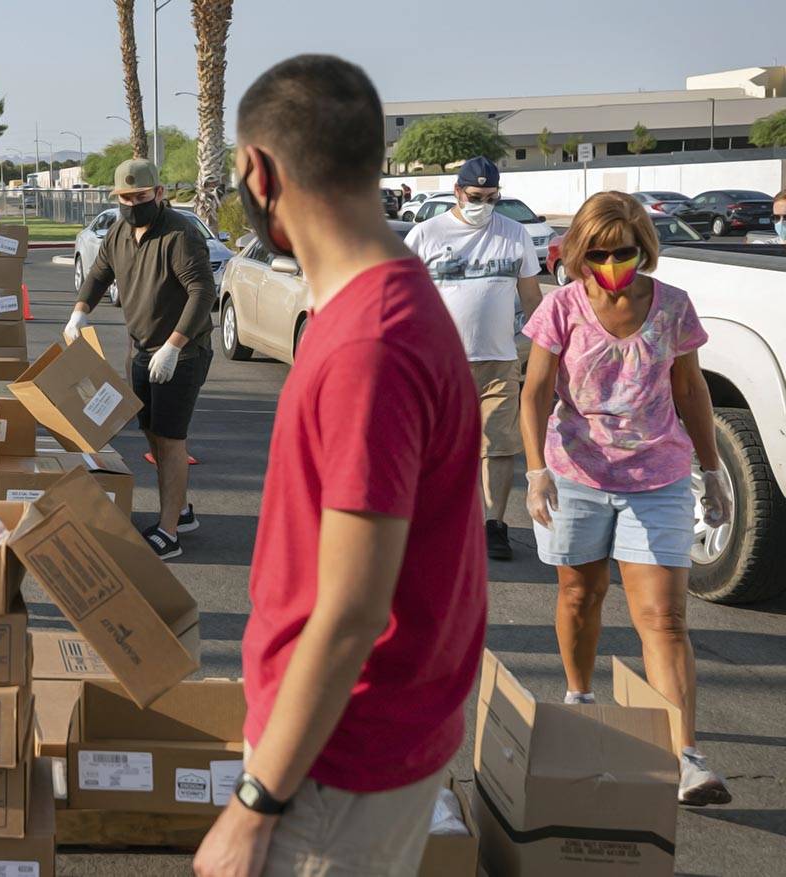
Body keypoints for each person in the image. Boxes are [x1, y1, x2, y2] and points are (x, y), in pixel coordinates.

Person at [193, 55, 486, 877]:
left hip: (333, 768)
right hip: (356, 745)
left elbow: (353, 610)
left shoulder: (369, 345)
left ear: (259, 172)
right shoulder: (382, 299)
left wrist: (256, 802)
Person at [521, 191, 734, 806]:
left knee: (664, 618)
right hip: (575, 476)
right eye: (599, 254)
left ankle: (686, 757)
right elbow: (534, 392)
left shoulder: (672, 308)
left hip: (658, 478)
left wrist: (712, 470)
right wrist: (536, 471)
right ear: (580, 255)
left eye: (626, 253)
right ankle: (580, 697)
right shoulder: (561, 308)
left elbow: (690, 389)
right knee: (580, 594)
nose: (613, 265)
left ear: (645, 250)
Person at [70, 158, 216, 560]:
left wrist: (174, 345)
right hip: (141, 351)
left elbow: (202, 292)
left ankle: (169, 531)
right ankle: (182, 510)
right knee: (151, 431)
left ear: (159, 193)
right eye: (125, 197)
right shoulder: (119, 232)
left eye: (140, 196)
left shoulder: (180, 235)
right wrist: (80, 311)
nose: (132, 204)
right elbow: (99, 274)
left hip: (181, 354)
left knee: (170, 441)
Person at [404, 156, 542, 562]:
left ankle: (494, 524)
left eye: (492, 197)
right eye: (476, 196)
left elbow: (532, 297)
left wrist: (547, 351)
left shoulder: (514, 235)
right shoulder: (426, 234)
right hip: (439, 365)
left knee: (497, 447)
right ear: (458, 193)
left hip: (499, 362)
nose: (484, 203)